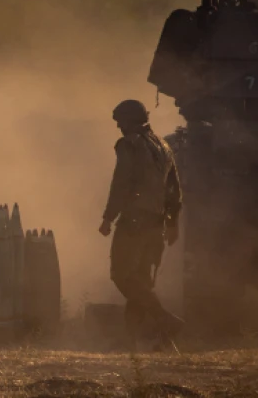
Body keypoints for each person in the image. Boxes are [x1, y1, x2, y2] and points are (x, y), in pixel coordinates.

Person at [98, 99, 184, 351]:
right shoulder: (164, 147)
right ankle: (134, 342)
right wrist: (172, 222)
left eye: (120, 122)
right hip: (156, 224)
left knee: (122, 276)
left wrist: (108, 217)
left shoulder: (130, 145)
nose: (118, 127)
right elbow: (174, 189)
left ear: (130, 120)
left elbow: (122, 182)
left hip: (134, 221)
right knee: (141, 282)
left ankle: (165, 320)